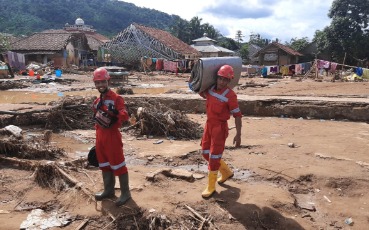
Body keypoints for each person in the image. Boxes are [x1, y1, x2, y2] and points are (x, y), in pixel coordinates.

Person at [190, 64, 242, 198]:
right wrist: (194, 75)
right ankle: (226, 172)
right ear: (216, 78)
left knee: (214, 157)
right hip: (209, 125)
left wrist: (238, 134)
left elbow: (237, 115)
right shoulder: (210, 90)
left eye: (225, 80)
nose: (222, 82)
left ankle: (211, 186)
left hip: (220, 128)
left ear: (229, 81)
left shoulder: (230, 95)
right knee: (205, 153)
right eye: (220, 78)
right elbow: (194, 88)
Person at [92, 67, 131, 206]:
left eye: (102, 82)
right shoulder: (97, 101)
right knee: (104, 164)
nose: (100, 85)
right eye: (97, 83)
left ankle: (125, 193)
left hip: (112, 136)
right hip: (100, 136)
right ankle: (108, 190)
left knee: (118, 164)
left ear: (108, 81)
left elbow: (125, 115)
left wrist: (116, 113)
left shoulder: (116, 98)